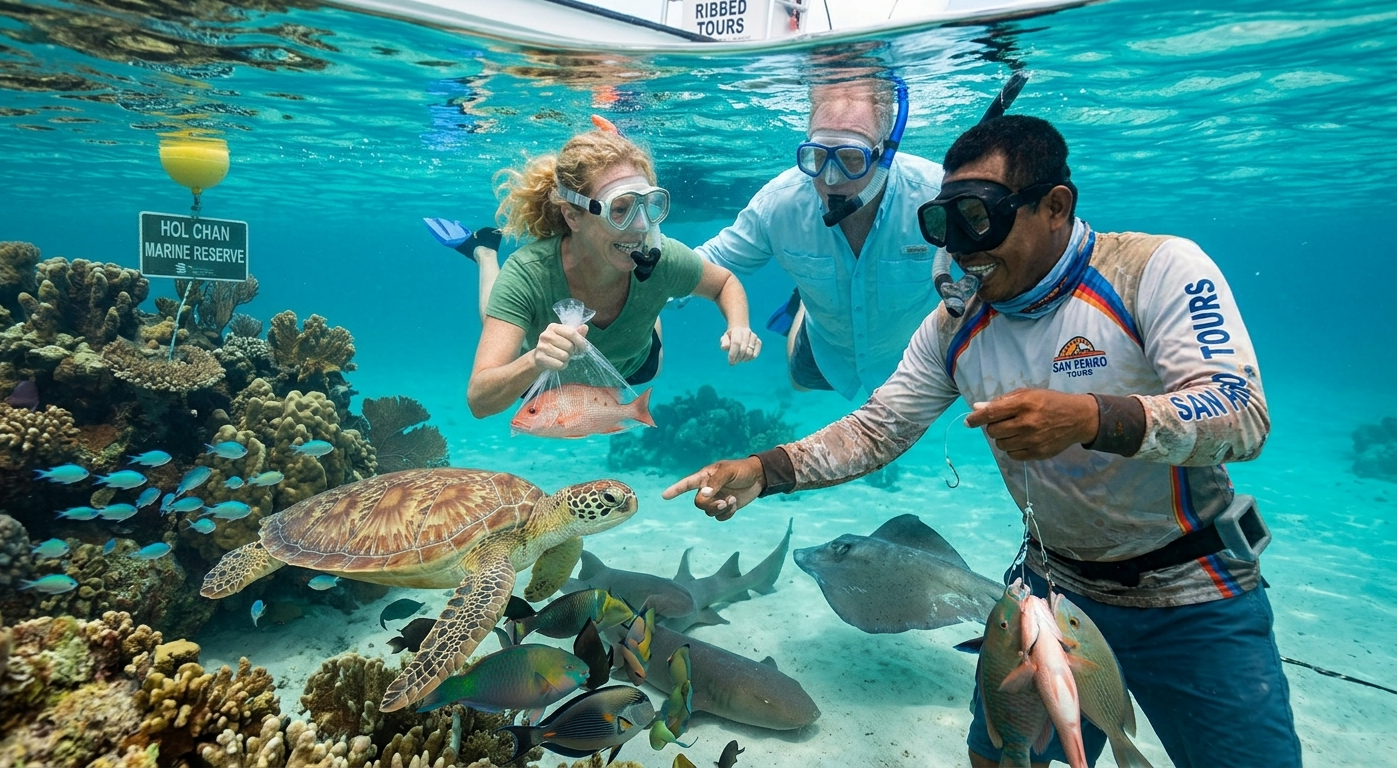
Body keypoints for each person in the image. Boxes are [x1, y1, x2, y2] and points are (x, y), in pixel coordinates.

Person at [665, 115, 1301, 767]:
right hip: (1053, 589)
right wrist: (765, 469)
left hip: (1191, 588)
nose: (964, 247)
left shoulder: (1154, 270)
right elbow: (879, 426)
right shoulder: (960, 319)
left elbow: (1240, 413)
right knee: (1000, 758)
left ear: (1056, 206)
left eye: (982, 218)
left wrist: (1092, 417)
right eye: (944, 223)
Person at [464, 130, 761, 419]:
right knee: (496, 309)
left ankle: (647, 300)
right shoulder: (528, 273)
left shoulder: (661, 257)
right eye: (620, 209)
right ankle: (485, 253)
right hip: (546, 376)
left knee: (652, 285)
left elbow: (723, 282)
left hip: (634, 368)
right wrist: (533, 360)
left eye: (648, 204)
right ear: (572, 216)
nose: (642, 226)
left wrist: (739, 326)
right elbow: (479, 402)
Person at [695, 77, 944, 398]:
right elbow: (705, 262)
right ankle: (804, 305)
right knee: (800, 381)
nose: (830, 178)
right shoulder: (779, 203)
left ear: (883, 155)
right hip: (827, 346)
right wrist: (636, 283)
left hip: (910, 350)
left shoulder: (935, 195)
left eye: (851, 159)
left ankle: (806, 293)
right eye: (816, 156)